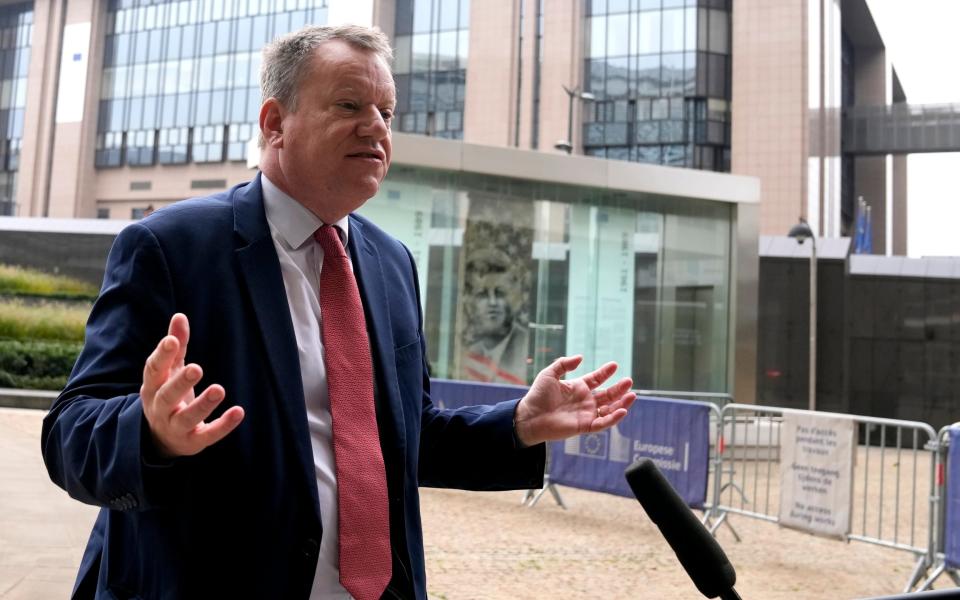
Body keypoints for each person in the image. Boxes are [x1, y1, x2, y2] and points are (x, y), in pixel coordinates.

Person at [40, 24, 635, 600]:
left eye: (387, 112)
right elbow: (70, 433)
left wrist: (516, 426)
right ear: (275, 123)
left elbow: (399, 439)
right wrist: (150, 433)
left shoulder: (391, 262)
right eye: (350, 104)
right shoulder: (171, 247)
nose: (375, 127)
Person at [462, 248, 530, 385]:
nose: (492, 303)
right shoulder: (471, 352)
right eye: (482, 294)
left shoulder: (525, 345)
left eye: (500, 293)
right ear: (470, 302)